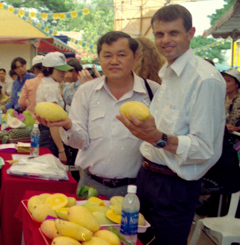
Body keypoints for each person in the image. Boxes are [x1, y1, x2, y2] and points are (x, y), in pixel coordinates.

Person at [116, 5, 225, 245]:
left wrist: (158, 137)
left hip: (174, 186)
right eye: (159, 34)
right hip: (146, 177)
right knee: (137, 240)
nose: (166, 40)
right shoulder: (168, 72)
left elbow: (204, 147)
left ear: (190, 33)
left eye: (173, 33)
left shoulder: (205, 79)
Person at [37, 32, 160, 199]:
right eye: (107, 55)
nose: (114, 61)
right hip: (90, 186)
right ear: (99, 59)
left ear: (135, 56)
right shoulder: (87, 91)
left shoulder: (153, 92)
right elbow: (80, 141)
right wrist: (68, 125)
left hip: (135, 190)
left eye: (121, 55)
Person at [36, 52, 73, 163]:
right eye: (60, 70)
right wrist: (61, 150)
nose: (64, 73)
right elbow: (54, 122)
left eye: (64, 69)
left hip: (49, 135)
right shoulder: (50, 87)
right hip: (51, 136)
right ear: (48, 69)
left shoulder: (48, 83)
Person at [18, 55, 44, 121]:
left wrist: (29, 102)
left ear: (35, 69)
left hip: (32, 119)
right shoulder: (53, 83)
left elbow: (21, 102)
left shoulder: (29, 82)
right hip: (48, 120)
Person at [223, 68, 240, 133]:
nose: (225, 84)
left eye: (228, 81)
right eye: (223, 81)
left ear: (237, 84)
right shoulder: (221, 98)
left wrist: (237, 128)